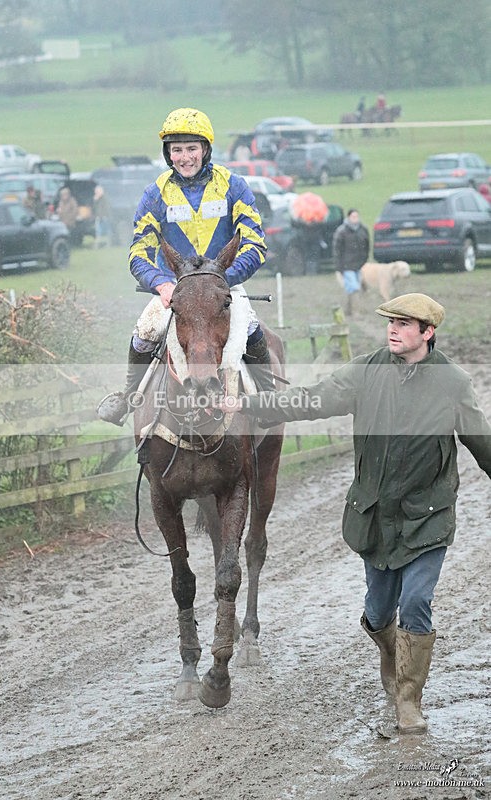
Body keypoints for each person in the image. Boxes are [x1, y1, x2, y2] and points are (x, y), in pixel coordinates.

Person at [223, 292, 491, 735]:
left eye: (405, 324)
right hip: (373, 516)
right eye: (391, 322)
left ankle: (408, 700)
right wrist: (247, 405)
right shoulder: (366, 372)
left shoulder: (453, 383)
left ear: (428, 332)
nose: (393, 330)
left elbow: (482, 443)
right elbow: (310, 400)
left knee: (416, 602)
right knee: (378, 610)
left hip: (427, 515)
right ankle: (391, 651)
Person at [97, 106, 272, 426]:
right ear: (168, 153)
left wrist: (222, 280)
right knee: (145, 330)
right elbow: (139, 251)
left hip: (224, 286)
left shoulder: (234, 186)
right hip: (175, 290)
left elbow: (256, 244)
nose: (185, 157)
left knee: (251, 328)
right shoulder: (155, 194)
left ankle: (269, 399)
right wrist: (161, 284)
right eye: (177, 150)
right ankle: (129, 396)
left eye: (191, 148)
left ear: (205, 149)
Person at [332, 208, 370, 316]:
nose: (355, 219)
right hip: (346, 265)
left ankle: (348, 310)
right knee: (354, 287)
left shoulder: (363, 230)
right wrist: (339, 267)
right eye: (353, 217)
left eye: (357, 216)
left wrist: (364, 260)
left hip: (359, 265)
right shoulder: (341, 231)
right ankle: (355, 311)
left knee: (352, 288)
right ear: (348, 217)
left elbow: (367, 246)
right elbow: (337, 250)